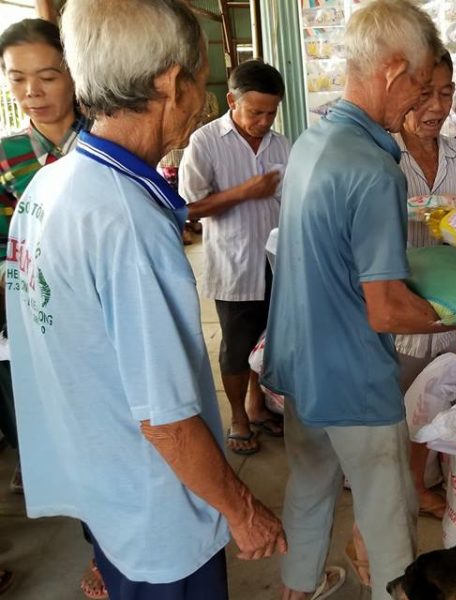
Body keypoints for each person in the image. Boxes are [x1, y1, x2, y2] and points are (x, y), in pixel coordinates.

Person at [5, 2, 287, 599]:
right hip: (157, 511)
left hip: (102, 489)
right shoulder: (126, 220)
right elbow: (166, 418)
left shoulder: (50, 185)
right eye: (198, 80)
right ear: (170, 82)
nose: (202, 103)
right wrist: (242, 509)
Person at [261, 1, 456, 598]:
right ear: (390, 70)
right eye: (417, 83)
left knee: (310, 487)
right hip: (353, 376)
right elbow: (385, 310)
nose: (421, 101)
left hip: (299, 366)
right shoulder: (373, 169)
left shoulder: (312, 141)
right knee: (389, 522)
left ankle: (296, 590)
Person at [346, 49, 456, 587]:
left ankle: (416, 484)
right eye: (425, 92)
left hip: (450, 310)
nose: (435, 106)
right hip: (397, 310)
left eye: (446, 93)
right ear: (400, 91)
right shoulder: (378, 158)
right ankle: (375, 517)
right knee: (388, 412)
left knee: (439, 397)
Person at [0, 16, 105, 600]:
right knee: (64, 441)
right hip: (38, 329)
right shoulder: (9, 155)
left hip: (102, 325)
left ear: (73, 74)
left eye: (47, 76)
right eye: (17, 80)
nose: (33, 93)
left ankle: (111, 550)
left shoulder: (107, 142)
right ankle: (100, 545)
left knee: (115, 437)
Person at [180, 59, 291, 455]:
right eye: (255, 112)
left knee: (272, 339)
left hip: (278, 260)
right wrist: (244, 191)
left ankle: (258, 406)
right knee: (236, 346)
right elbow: (189, 207)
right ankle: (239, 418)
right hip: (234, 262)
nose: (263, 121)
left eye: (271, 113)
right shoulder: (205, 142)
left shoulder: (283, 146)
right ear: (232, 100)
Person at [158, 91, 219, 244]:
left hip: (192, 144)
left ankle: (195, 222)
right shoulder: (164, 101)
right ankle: (183, 229)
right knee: (173, 191)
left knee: (194, 188)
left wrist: (199, 118)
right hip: (171, 154)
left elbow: (215, 114)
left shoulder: (208, 97)